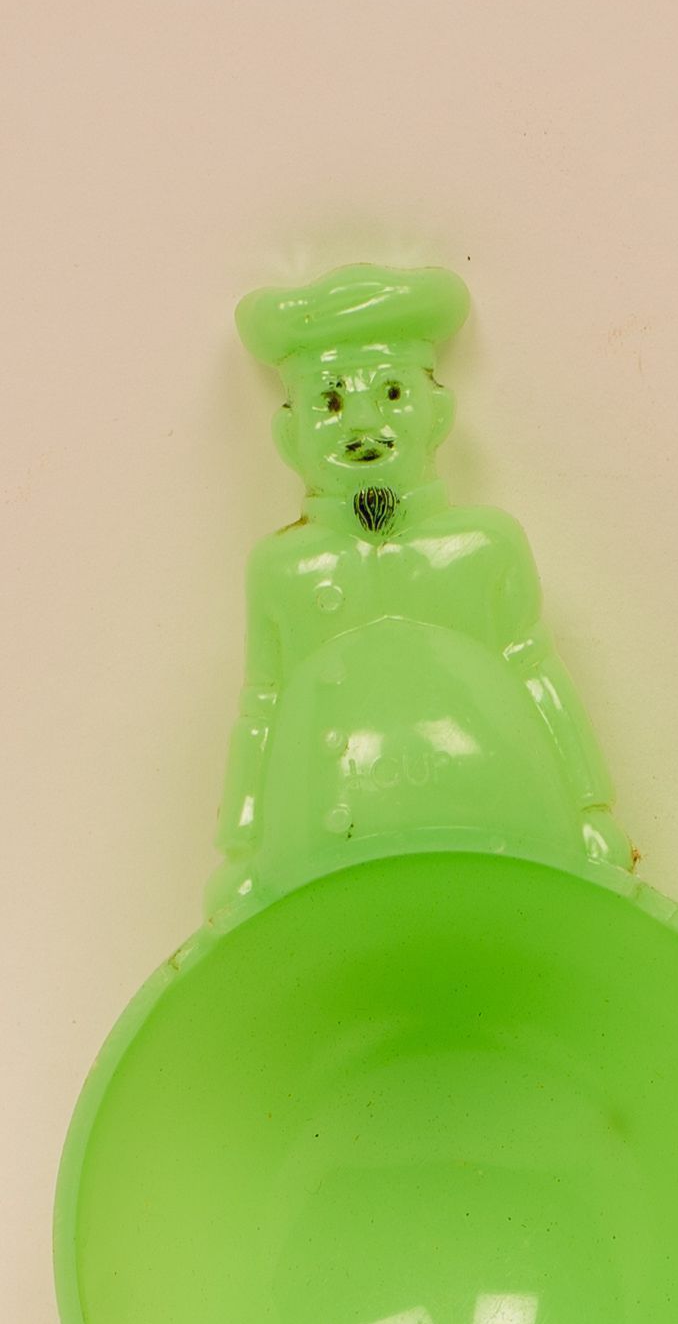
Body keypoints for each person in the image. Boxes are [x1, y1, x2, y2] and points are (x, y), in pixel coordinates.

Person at [206, 263, 633, 920]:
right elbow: (262, 706)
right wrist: (241, 850)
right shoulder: (284, 571)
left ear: (439, 413)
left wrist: (588, 809)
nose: (363, 422)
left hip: (504, 825)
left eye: (393, 392)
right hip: (323, 848)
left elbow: (536, 672)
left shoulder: (483, 546)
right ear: (288, 436)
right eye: (330, 402)